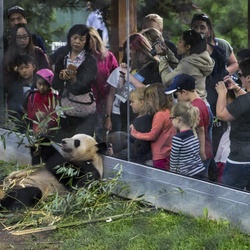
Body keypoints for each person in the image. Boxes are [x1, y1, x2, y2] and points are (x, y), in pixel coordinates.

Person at [191, 12, 238, 156]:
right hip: (198, 96)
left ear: (209, 30)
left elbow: (235, 63)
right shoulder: (188, 48)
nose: (199, 30)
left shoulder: (221, 45)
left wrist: (222, 74)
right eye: (195, 27)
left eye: (202, 27)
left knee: (217, 132)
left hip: (217, 93)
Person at [52, 24, 97, 141]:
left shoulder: (90, 60)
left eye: (81, 39)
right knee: (64, 143)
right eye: (74, 38)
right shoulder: (62, 58)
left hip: (84, 114)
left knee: (82, 146)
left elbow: (86, 87)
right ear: (69, 38)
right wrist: (61, 78)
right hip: (65, 112)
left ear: (86, 41)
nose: (77, 42)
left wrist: (73, 80)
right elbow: (55, 85)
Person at [165, 74, 213, 180]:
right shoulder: (200, 102)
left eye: (176, 95)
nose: (177, 99)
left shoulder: (195, 108)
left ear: (184, 92)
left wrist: (201, 152)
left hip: (199, 156)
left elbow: (200, 130)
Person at [215, 58, 250, 190]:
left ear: (248, 78)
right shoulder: (246, 99)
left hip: (240, 159)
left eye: (240, 75)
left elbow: (221, 114)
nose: (238, 77)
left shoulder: (244, 102)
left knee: (228, 194)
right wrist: (236, 89)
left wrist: (222, 93)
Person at [3, 23, 50, 117]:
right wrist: (15, 71)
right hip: (16, 104)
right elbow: (5, 83)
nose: (22, 40)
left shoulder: (37, 52)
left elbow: (47, 75)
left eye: (25, 37)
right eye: (19, 37)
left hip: (38, 102)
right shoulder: (9, 56)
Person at [119, 33, 162, 131]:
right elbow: (122, 92)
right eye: (127, 55)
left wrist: (130, 77)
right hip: (127, 114)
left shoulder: (154, 66)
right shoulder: (135, 67)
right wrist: (123, 75)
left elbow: (151, 91)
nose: (129, 58)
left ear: (140, 51)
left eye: (131, 54)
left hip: (141, 117)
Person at [159, 29, 215, 103]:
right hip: (202, 103)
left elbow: (167, 80)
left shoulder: (188, 64)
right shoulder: (199, 58)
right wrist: (168, 53)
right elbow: (179, 67)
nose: (177, 44)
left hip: (192, 107)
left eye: (180, 41)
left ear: (188, 47)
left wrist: (162, 57)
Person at [130, 83, 176, 170]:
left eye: (149, 99)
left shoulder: (160, 115)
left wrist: (135, 133)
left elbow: (152, 136)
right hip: (169, 153)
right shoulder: (170, 111)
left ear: (156, 99)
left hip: (159, 156)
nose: (148, 102)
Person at [108, 88, 153, 165]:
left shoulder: (142, 122)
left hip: (138, 161)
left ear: (142, 102)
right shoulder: (140, 119)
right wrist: (116, 148)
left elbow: (135, 147)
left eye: (132, 102)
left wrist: (119, 156)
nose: (130, 104)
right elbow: (130, 140)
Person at [88, 27, 118, 142]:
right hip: (87, 104)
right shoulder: (80, 57)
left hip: (106, 103)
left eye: (88, 39)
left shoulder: (108, 56)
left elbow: (116, 77)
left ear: (95, 39)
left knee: (103, 140)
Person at [169, 101, 205, 178]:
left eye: (171, 118)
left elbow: (174, 161)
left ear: (177, 119)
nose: (171, 121)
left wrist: (172, 176)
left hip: (187, 175)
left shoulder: (178, 138)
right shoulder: (194, 132)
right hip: (199, 170)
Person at [6, 55, 37, 132]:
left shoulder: (40, 83)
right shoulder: (16, 86)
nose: (24, 71)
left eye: (27, 67)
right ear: (17, 70)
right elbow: (12, 105)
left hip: (38, 120)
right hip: (21, 121)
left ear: (34, 67)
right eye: (21, 68)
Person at [26, 69, 58, 135]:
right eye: (39, 84)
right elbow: (29, 114)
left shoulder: (54, 97)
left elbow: (56, 115)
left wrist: (48, 123)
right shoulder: (32, 97)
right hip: (36, 130)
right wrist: (36, 114)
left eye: (45, 85)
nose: (41, 87)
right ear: (36, 83)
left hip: (51, 131)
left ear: (50, 85)